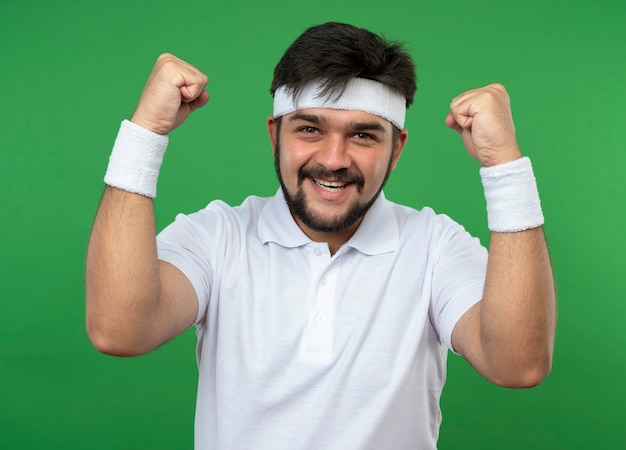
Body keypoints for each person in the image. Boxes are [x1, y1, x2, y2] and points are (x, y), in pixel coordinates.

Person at [86, 22, 555, 449]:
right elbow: (118, 329)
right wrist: (145, 135)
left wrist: (504, 166)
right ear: (275, 135)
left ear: (396, 151)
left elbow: (518, 364)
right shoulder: (216, 236)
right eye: (310, 129)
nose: (333, 159)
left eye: (364, 135)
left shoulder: (434, 246)